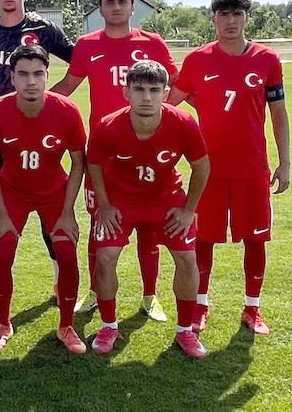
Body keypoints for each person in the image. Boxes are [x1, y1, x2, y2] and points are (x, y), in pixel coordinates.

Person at [168, 0, 291, 335]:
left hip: (253, 167)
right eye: (224, 14)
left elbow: (278, 114)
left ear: (247, 18)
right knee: (203, 238)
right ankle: (200, 305)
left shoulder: (267, 60)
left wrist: (285, 163)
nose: (231, 21)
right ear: (214, 19)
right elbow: (171, 104)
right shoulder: (198, 59)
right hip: (207, 169)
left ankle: (252, 308)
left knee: (256, 239)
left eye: (238, 14)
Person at [52, 0, 179, 320]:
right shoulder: (87, 45)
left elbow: (176, 87)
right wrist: (30, 104)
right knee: (100, 224)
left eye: (122, 1)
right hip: (104, 152)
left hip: (149, 152)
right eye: (109, 2)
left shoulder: (152, 43)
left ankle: (150, 296)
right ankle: (96, 289)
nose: (116, 7)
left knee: (149, 229)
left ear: (132, 6)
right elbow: (68, 86)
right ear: (101, 9)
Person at [86, 60, 210, 358]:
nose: (146, 97)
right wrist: (104, 205)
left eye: (154, 90)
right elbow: (94, 164)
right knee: (105, 258)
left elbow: (202, 167)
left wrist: (188, 209)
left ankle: (185, 331)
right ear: (126, 92)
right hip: (121, 200)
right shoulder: (108, 125)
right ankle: (108, 325)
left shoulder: (183, 122)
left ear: (166, 93)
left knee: (186, 258)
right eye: (139, 89)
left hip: (166, 199)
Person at [0, 0, 74, 305]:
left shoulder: (42, 28)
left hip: (39, 128)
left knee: (49, 202)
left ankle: (60, 282)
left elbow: (79, 61)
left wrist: (53, 99)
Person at [0, 45, 86, 354]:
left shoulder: (66, 110)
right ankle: (3, 324)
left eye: (38, 74)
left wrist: (68, 211)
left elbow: (78, 161)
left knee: (66, 255)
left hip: (54, 193)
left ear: (47, 76)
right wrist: (0, 212)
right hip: (12, 192)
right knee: (3, 252)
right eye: (23, 74)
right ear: (12, 77)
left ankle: (66, 326)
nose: (31, 82)